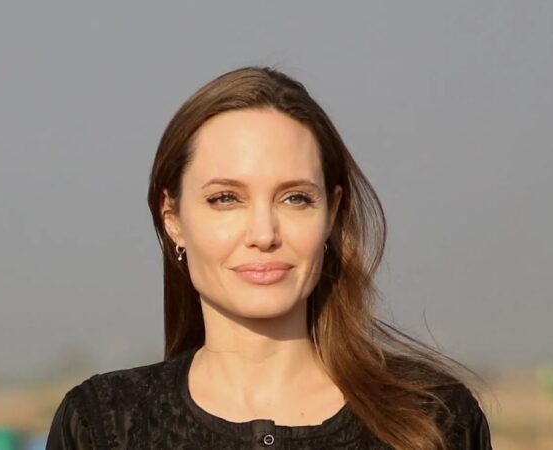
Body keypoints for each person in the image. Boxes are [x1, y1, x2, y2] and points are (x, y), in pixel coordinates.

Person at [46, 66, 493, 450]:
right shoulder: (101, 424)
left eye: (295, 198)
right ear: (173, 219)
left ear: (332, 213)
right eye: (225, 198)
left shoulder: (437, 420)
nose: (264, 234)